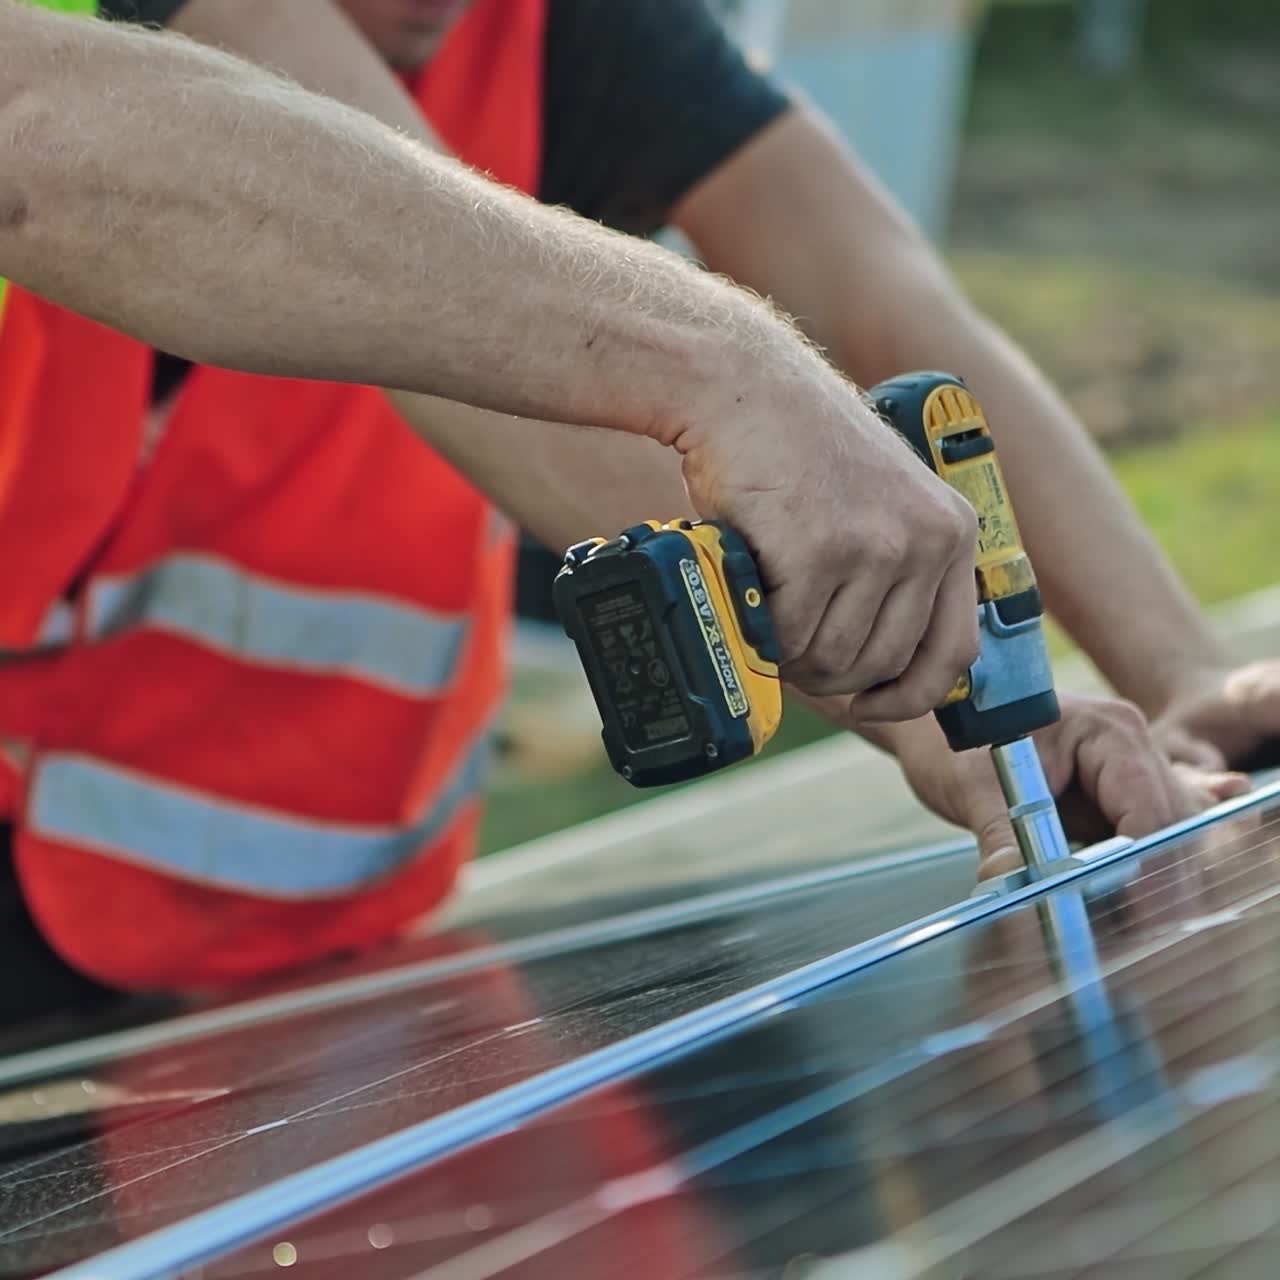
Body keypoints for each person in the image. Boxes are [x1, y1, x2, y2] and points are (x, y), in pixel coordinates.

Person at [0, 1, 1241, 1013]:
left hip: (322, 917)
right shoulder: (196, 33)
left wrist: (1183, 678)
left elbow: (887, 306)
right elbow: (469, 336)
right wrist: (950, 719)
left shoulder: (560, 33)